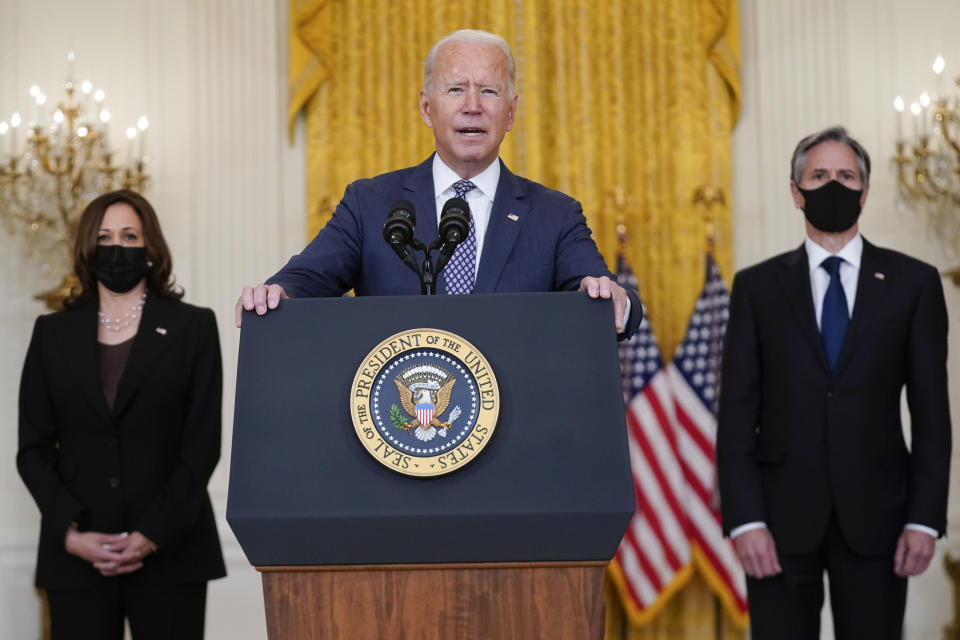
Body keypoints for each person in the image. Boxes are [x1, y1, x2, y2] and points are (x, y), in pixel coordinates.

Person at [236, 29, 641, 339]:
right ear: (427, 107)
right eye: (455, 89)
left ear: (512, 112)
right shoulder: (371, 204)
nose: (472, 105)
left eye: (488, 91)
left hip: (518, 431)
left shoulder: (554, 214)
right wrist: (275, 294)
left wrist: (611, 299)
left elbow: (610, 300)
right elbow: (304, 280)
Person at [716, 126, 951, 639]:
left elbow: (933, 417)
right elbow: (736, 414)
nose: (833, 185)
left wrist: (925, 519)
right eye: (819, 175)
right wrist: (745, 519)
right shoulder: (756, 288)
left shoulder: (914, 285)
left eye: (846, 176)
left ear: (865, 192)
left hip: (880, 522)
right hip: (777, 524)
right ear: (796, 192)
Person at [17, 190, 226, 640]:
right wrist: (70, 534)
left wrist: (152, 533)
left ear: (150, 247)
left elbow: (202, 444)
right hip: (76, 558)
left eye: (130, 235)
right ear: (87, 248)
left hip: (172, 553)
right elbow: (32, 448)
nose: (117, 247)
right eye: (105, 236)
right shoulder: (52, 332)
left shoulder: (194, 327)